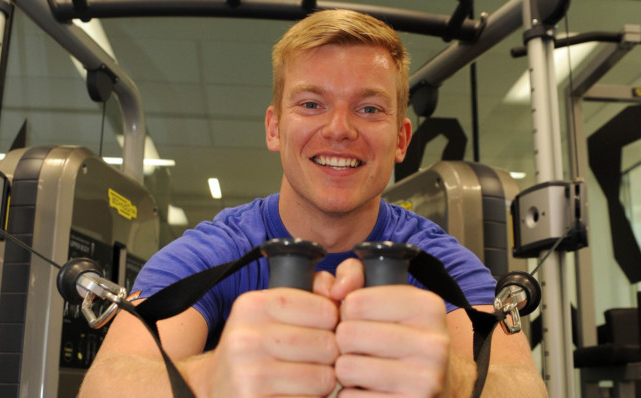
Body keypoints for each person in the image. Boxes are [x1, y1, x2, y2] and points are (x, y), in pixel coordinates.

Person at [80, 9, 546, 397]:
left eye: (369, 108)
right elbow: (108, 380)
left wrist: (456, 379)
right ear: (274, 128)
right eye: (310, 104)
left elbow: (523, 384)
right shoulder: (216, 251)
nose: (340, 128)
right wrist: (209, 376)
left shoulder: (440, 261)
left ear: (401, 138)